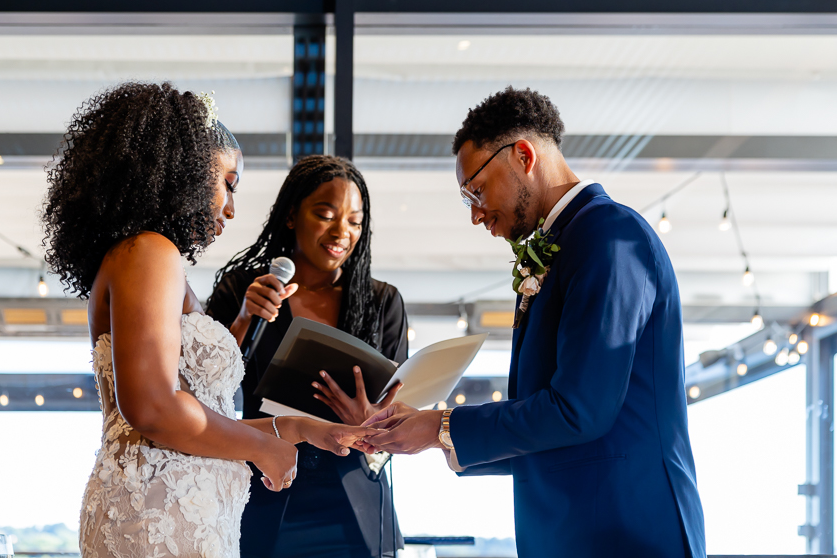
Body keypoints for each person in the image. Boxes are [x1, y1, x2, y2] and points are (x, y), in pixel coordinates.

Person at [360, 87, 707, 558]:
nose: (476, 214)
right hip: (576, 530)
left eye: (476, 191)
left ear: (523, 155)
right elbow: (550, 420)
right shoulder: (569, 243)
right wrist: (432, 435)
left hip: (626, 530)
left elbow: (579, 411)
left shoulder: (610, 237)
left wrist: (442, 425)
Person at [42, 82, 373, 558]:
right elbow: (153, 408)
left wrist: (300, 429)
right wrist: (262, 448)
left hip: (178, 511)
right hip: (158, 517)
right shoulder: (151, 253)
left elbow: (196, 412)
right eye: (229, 183)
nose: (231, 208)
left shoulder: (147, 257)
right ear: (186, 173)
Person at [205, 155, 408, 558]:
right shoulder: (243, 289)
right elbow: (204, 388)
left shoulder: (382, 302)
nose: (341, 232)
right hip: (261, 492)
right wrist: (245, 317)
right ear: (292, 215)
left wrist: (373, 420)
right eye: (326, 214)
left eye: (354, 221)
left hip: (354, 506)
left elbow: (400, 408)